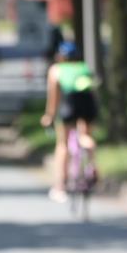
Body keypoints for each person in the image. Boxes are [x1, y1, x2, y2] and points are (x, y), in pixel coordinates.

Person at [41, 41, 99, 203]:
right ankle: (93, 165)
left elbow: (54, 97)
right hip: (88, 105)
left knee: (63, 144)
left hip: (69, 105)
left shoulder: (56, 70)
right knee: (86, 136)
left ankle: (60, 186)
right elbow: (93, 91)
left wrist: (49, 116)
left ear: (61, 56)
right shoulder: (84, 68)